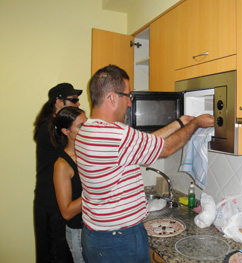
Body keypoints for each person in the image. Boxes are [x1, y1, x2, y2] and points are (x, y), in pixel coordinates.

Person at [75, 65, 214, 263]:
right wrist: (196, 124)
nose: (130, 103)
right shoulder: (116, 135)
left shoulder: (88, 130)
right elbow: (165, 149)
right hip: (120, 240)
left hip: (96, 235)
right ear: (113, 97)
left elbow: (146, 142)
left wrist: (180, 123)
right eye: (128, 96)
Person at [33, 83, 82, 263]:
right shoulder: (51, 128)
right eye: (73, 100)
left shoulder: (54, 126)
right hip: (52, 206)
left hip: (59, 203)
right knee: (55, 256)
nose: (77, 104)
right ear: (58, 102)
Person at [49, 107, 87, 263]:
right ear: (65, 131)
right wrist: (96, 191)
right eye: (81, 126)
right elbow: (67, 212)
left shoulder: (88, 152)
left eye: (87, 123)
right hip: (79, 233)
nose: (87, 129)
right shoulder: (62, 165)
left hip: (95, 228)